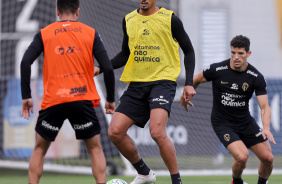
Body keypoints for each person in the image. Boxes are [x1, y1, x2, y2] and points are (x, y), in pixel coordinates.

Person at [95, 0, 195, 183]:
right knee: (115, 132)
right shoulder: (129, 19)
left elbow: (189, 51)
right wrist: (101, 67)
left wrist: (189, 83)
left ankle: (176, 181)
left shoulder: (170, 19)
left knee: (157, 132)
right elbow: (125, 54)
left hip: (162, 82)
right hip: (136, 84)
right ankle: (145, 173)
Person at [20, 0, 115, 183]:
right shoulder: (90, 33)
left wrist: (26, 96)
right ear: (77, 11)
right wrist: (110, 99)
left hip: (54, 100)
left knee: (39, 148)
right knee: (95, 148)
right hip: (81, 99)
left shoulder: (44, 33)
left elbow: (25, 62)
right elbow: (108, 68)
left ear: (57, 11)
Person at [179, 35, 276, 184]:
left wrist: (267, 127)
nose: (236, 57)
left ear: (248, 54)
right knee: (242, 157)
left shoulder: (255, 77)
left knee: (268, 159)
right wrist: (187, 93)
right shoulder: (218, 69)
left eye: (240, 53)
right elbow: (196, 79)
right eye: (233, 53)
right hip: (223, 123)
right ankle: (236, 182)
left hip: (245, 122)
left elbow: (265, 107)